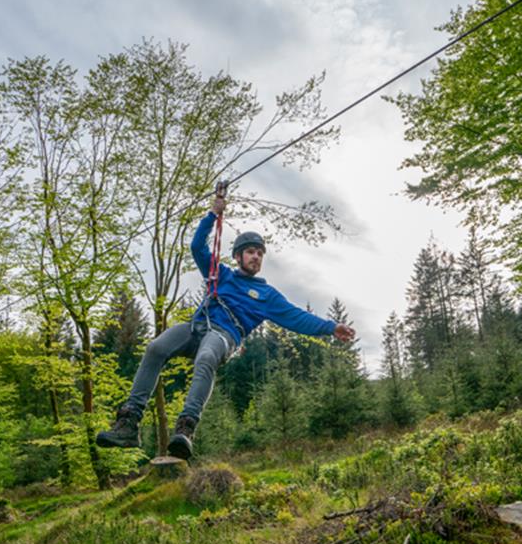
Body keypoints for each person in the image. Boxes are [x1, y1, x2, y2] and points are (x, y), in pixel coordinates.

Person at [97, 193, 355, 459]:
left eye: (259, 253)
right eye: (250, 252)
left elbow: (297, 317)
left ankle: (186, 428)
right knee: (155, 348)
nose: (256, 257)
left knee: (206, 357)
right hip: (196, 327)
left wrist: (330, 327)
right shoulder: (221, 275)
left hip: (224, 336)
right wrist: (212, 215)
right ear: (238, 256)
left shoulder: (267, 296)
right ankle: (128, 423)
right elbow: (197, 247)